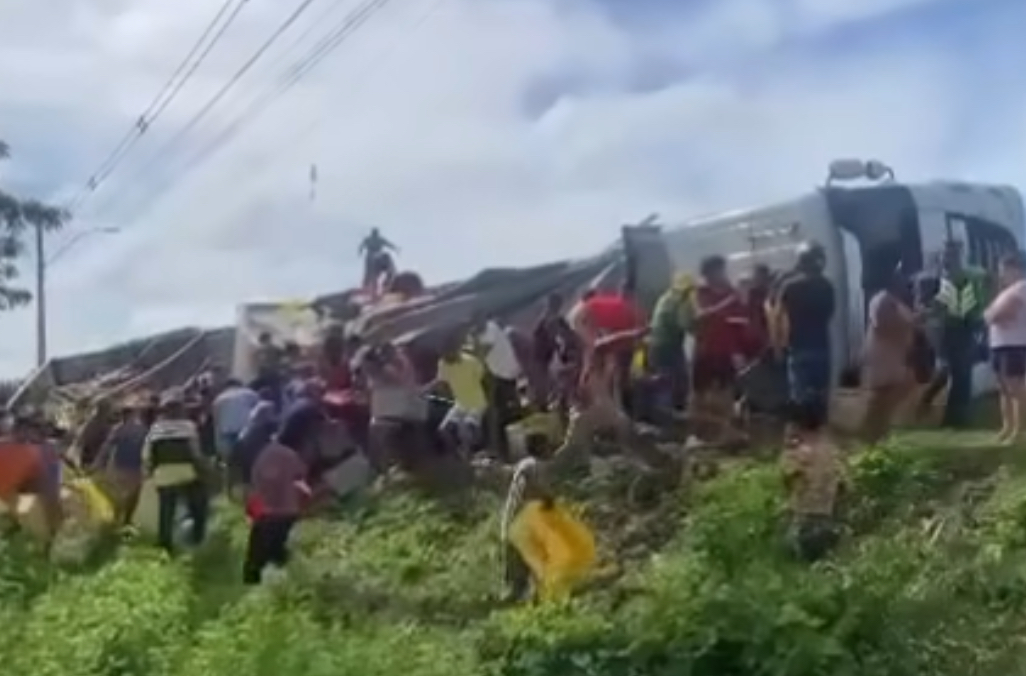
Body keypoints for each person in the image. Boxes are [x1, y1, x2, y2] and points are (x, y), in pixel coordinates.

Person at [926, 240, 989, 428]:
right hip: (956, 329)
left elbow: (949, 305)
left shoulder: (960, 276)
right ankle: (955, 418)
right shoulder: (962, 275)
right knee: (959, 375)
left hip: (959, 329)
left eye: (948, 254)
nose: (946, 258)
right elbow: (945, 304)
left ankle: (955, 418)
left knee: (959, 375)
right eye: (946, 254)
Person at [143, 390, 209, 555]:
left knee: (166, 509)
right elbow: (196, 453)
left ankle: (165, 543)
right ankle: (197, 536)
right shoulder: (188, 426)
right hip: (186, 472)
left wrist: (149, 471)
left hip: (163, 474)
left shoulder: (155, 428)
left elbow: (147, 454)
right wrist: (204, 470)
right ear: (180, 409)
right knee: (198, 502)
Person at [780, 399, 845, 563]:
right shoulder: (833, 453)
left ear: (795, 426)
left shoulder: (796, 455)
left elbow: (787, 483)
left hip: (804, 523)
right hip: (828, 522)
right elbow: (845, 488)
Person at [692, 255, 748, 439]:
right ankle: (699, 430)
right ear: (708, 273)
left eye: (723, 269)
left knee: (726, 390)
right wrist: (727, 302)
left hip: (725, 350)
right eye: (719, 270)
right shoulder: (701, 291)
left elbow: (741, 315)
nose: (723, 273)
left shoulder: (729, 290)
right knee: (701, 391)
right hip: (705, 349)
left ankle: (726, 432)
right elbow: (702, 315)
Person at [778, 242, 836, 419]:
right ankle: (821, 432)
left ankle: (804, 435)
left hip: (797, 348)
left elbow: (778, 316)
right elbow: (830, 313)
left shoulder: (789, 286)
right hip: (821, 346)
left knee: (800, 397)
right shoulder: (827, 285)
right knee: (821, 395)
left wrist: (779, 345)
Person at [243, 437, 308, 585]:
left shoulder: (259, 459)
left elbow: (255, 488)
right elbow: (301, 476)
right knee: (279, 549)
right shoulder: (290, 455)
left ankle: (256, 584)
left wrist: (251, 513)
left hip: (266, 513)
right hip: (288, 512)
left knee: (256, 555)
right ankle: (287, 581)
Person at [861, 269, 916, 444]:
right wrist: (909, 324)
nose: (905, 286)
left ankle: (881, 431)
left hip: (894, 354)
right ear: (893, 283)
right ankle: (871, 433)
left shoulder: (894, 300)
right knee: (880, 395)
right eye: (901, 282)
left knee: (894, 390)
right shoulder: (882, 300)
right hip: (882, 352)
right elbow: (882, 324)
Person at [500, 434, 555, 603]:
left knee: (517, 562)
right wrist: (550, 501)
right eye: (547, 446)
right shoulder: (534, 465)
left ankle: (517, 594)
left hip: (515, 519)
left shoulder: (524, 464)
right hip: (524, 521)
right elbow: (539, 488)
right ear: (540, 448)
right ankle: (537, 596)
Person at [361, 342, 428, 473]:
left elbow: (401, 388)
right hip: (394, 407)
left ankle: (383, 467)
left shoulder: (389, 369)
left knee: (378, 429)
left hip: (408, 405)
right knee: (374, 429)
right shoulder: (377, 374)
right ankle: (382, 466)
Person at [0, 414, 64, 548]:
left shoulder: (37, 450)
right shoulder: (9, 446)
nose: (27, 434)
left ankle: (49, 539)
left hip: (22, 491)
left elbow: (42, 477)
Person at [984, 251, 1026, 444]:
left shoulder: (1021, 288)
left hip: (1014, 345)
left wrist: (991, 314)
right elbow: (989, 314)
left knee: (1015, 388)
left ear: (1015, 269)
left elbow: (1001, 314)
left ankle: (1018, 431)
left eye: (1004, 270)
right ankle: (1006, 426)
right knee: (1003, 389)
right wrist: (991, 314)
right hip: (999, 344)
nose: (1001, 274)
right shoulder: (1005, 291)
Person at [472, 316, 522, 459]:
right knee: (500, 411)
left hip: (505, 374)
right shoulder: (485, 331)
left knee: (498, 412)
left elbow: (481, 354)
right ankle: (502, 448)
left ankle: (502, 450)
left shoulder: (490, 330)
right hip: (501, 374)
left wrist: (473, 343)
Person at [94, 403, 148, 528]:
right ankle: (127, 520)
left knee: (119, 495)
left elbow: (106, 448)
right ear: (134, 414)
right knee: (133, 495)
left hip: (121, 466)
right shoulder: (142, 430)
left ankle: (117, 519)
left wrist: (98, 462)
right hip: (135, 467)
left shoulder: (118, 429)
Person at [648, 272, 695, 415]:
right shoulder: (681, 301)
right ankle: (673, 415)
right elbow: (685, 325)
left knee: (664, 381)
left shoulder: (665, 297)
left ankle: (663, 415)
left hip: (655, 346)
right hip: (670, 346)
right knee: (679, 380)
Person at [434, 335, 488, 456]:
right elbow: (442, 382)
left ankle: (469, 454)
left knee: (467, 429)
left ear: (454, 350)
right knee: (444, 430)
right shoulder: (443, 363)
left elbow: (483, 378)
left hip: (476, 402)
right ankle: (456, 454)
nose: (445, 357)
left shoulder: (471, 361)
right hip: (460, 403)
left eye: (447, 353)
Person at [211, 379, 260, 462]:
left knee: (230, 462)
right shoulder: (251, 394)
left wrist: (218, 447)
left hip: (227, 434)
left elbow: (216, 423)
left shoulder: (219, 399)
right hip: (247, 432)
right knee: (249, 461)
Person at [358, 227, 399, 293]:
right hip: (370, 257)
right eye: (374, 233)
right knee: (369, 274)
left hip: (378, 256)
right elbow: (361, 246)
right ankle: (367, 288)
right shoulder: (368, 239)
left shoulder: (380, 239)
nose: (375, 235)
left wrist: (396, 248)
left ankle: (384, 286)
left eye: (376, 233)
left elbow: (388, 244)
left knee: (388, 270)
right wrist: (360, 252)